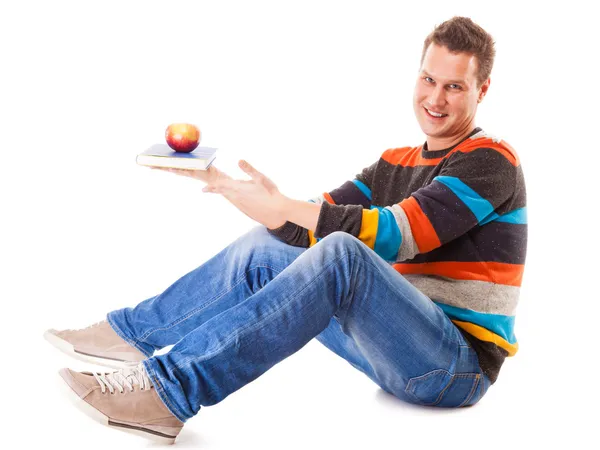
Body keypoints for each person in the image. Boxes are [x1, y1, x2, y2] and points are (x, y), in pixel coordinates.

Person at [44, 16, 527, 445]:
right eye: (427, 79)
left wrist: (292, 210)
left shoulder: (490, 161)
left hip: (453, 368)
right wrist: (239, 193)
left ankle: (168, 393)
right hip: (395, 350)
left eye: (454, 87)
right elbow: (310, 221)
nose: (434, 98)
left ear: (482, 90)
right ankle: (130, 335)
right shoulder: (394, 163)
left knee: (341, 252)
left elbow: (398, 234)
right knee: (269, 245)